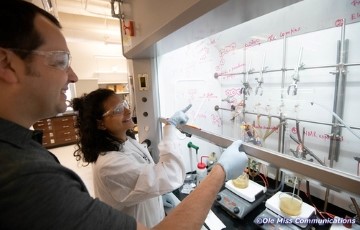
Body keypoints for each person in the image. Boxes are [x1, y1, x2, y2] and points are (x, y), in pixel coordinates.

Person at [0, 1, 248, 229]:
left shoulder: (122, 142)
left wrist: (161, 198)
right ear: (6, 63)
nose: (73, 76)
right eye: (60, 61)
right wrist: (221, 171)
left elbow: (151, 177)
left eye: (125, 104)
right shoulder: (26, 176)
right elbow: (166, 175)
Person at [71, 88, 189, 228]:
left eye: (125, 104)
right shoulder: (109, 164)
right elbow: (170, 174)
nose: (128, 111)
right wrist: (170, 128)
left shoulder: (125, 141)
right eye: (118, 110)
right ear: (100, 124)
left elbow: (143, 178)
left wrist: (157, 197)